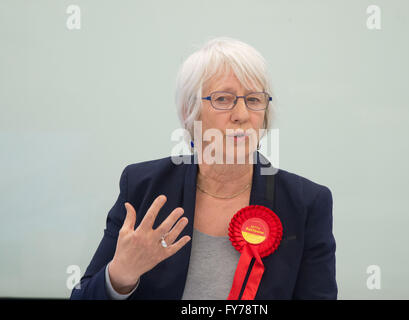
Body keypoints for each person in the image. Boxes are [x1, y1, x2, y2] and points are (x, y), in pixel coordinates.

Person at [70, 37, 337, 300]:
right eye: (223, 99)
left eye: (254, 100)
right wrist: (120, 276)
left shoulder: (306, 203)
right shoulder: (143, 187)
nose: (242, 115)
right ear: (191, 111)